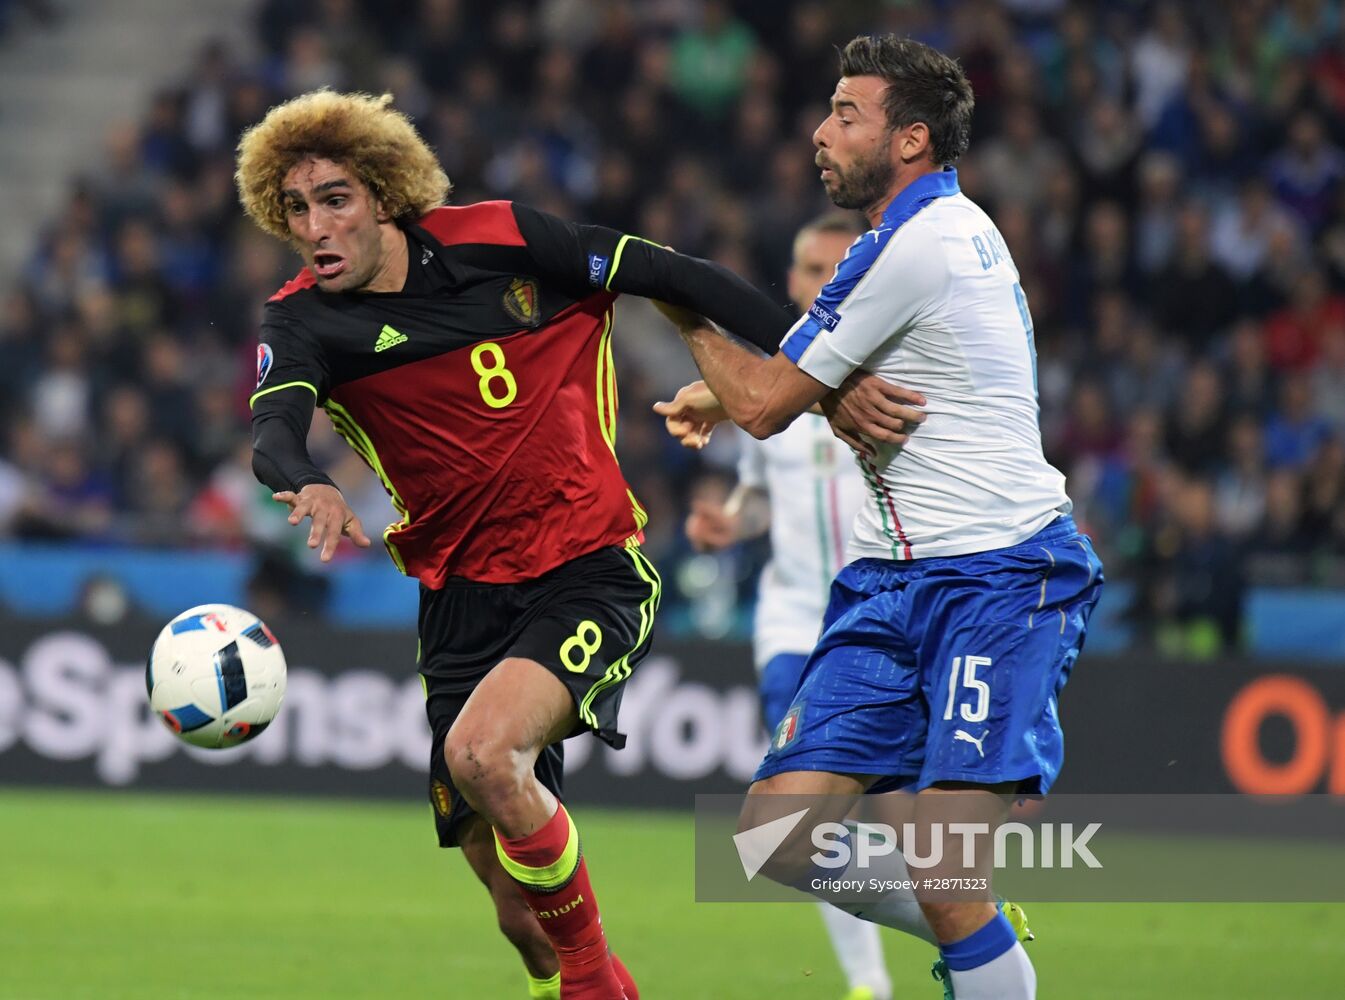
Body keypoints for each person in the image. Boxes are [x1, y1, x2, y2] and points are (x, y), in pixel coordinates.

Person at [233, 90, 913, 1000]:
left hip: (586, 567)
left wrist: (821, 373)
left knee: (485, 754)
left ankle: (597, 981)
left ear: (386, 195)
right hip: (460, 601)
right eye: (296, 208)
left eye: (335, 198)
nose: (314, 225)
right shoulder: (304, 320)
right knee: (517, 912)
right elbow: (274, 431)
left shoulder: (498, 238)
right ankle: (582, 983)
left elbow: (677, 274)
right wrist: (305, 479)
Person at [654, 36, 1104, 1000]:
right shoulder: (914, 239)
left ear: (909, 138)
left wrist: (675, 304)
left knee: (943, 866)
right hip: (887, 583)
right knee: (775, 837)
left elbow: (768, 401)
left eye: (844, 115)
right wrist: (765, 389)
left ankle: (972, 938)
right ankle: (981, 933)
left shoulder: (921, 245)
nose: (820, 133)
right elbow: (808, 387)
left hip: (998, 577)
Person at [686, 212, 896, 1000]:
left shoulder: (885, 372)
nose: (807, 286)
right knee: (796, 821)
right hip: (791, 619)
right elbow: (754, 496)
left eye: (824, 270)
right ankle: (868, 982)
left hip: (881, 621)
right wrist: (727, 524)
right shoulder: (771, 380)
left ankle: (963, 916)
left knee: (891, 816)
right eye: (802, 270)